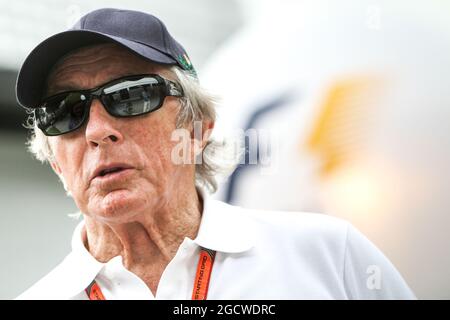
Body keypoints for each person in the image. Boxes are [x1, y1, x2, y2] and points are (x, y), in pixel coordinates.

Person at [15, 8, 415, 300]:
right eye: (65, 112)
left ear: (197, 128)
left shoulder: (328, 255)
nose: (98, 131)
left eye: (131, 95)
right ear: (55, 160)